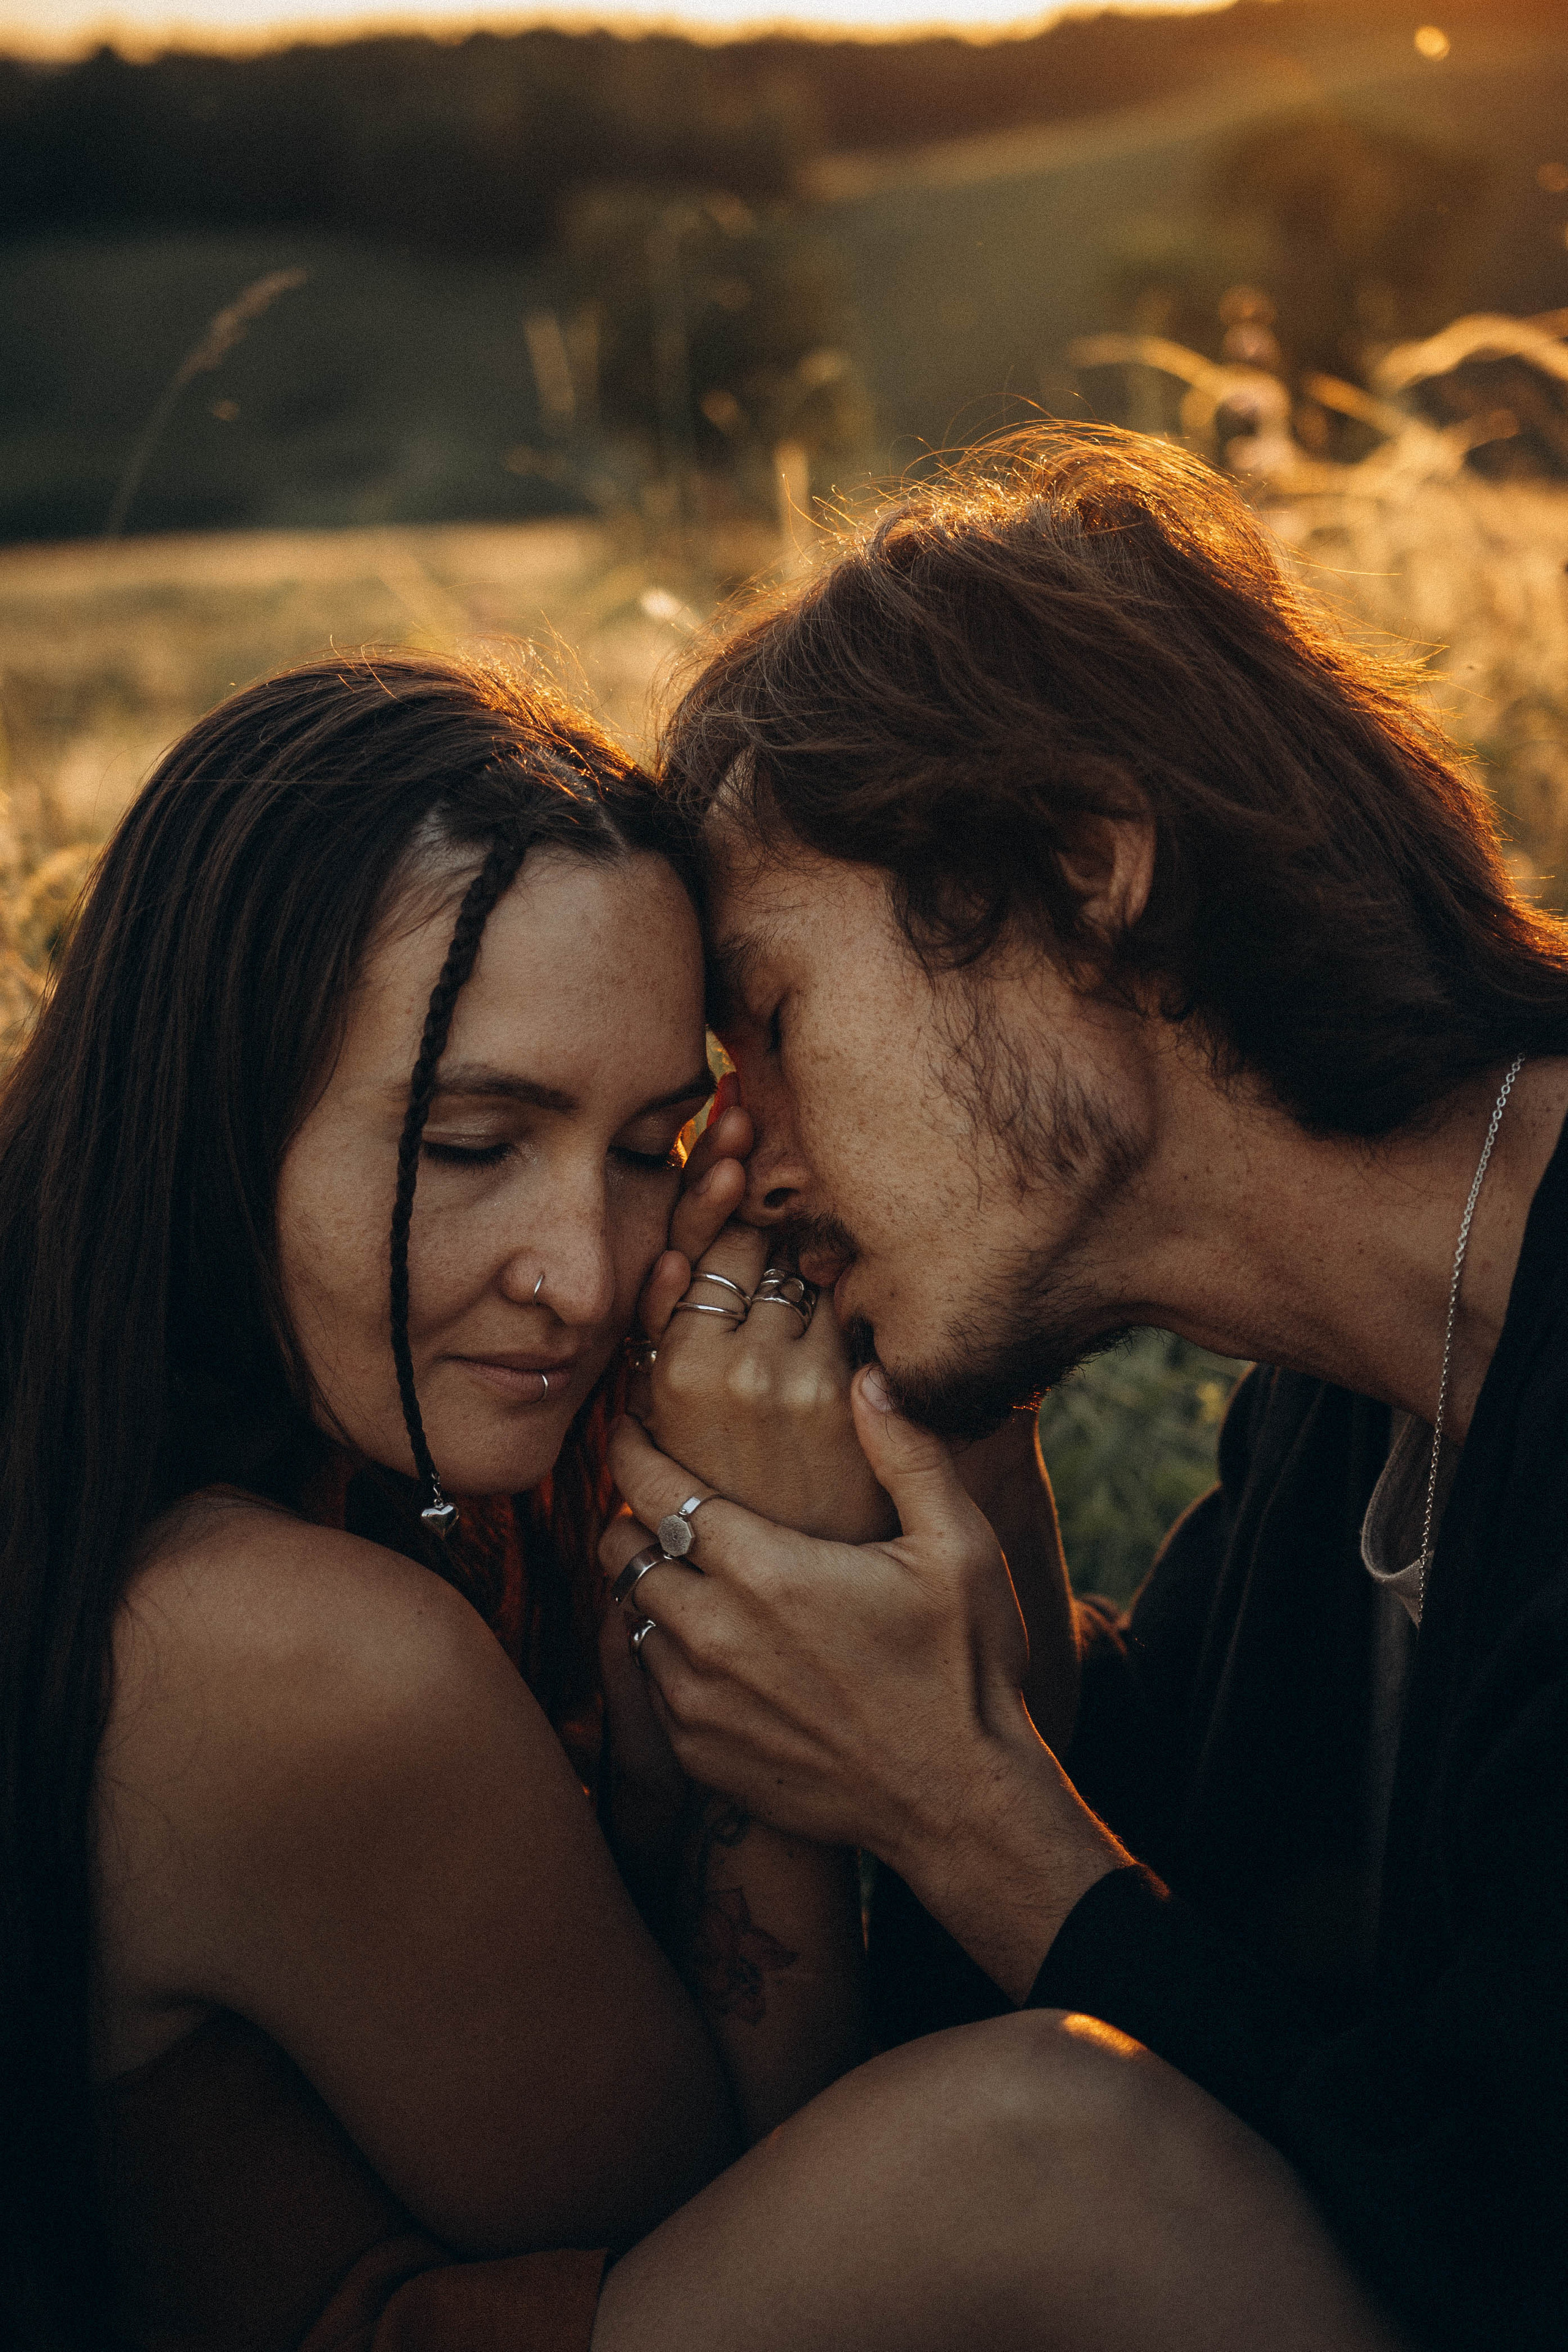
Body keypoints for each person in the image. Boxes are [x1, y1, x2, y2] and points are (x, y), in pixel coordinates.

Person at [6, 642, 1376, 2352]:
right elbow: (771, 2208)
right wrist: (763, 1626)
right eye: (468, 1144)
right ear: (209, 1104)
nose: (581, 1275)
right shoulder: (289, 1654)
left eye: (654, 1148)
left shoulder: (193, 1465)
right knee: (1057, 2150)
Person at [601, 428, 1568, 2352]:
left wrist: (963, 1811)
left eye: (773, 1023)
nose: (750, 1157)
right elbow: (1192, 1946)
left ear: (1084, 871)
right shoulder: (1355, 1401)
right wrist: (969, 1494)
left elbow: (1506, 2237)